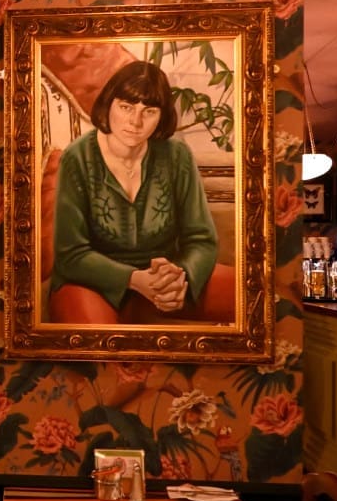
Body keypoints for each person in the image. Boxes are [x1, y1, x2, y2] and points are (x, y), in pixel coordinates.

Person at [47, 59, 231, 324]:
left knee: (252, 298)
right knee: (98, 341)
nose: (136, 121)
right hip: (92, 284)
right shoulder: (77, 157)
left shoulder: (177, 156)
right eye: (126, 107)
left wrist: (181, 277)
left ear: (161, 116)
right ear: (109, 105)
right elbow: (71, 255)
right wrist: (133, 280)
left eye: (149, 111)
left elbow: (201, 238)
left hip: (165, 279)